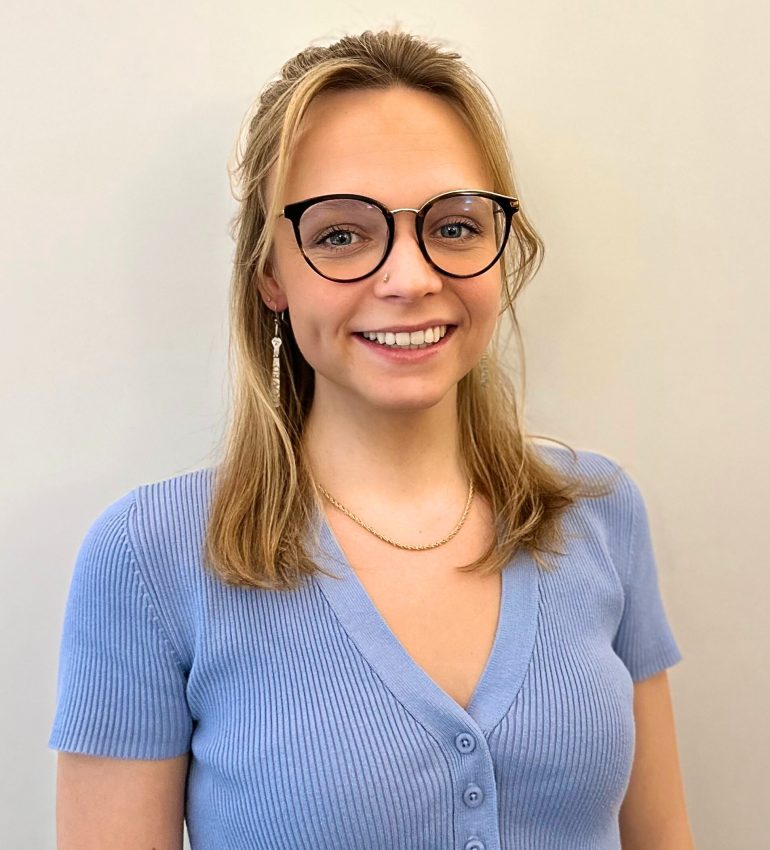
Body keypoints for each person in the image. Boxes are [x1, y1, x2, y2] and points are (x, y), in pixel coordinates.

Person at [48, 28, 695, 850]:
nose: (411, 277)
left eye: (454, 227)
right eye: (341, 235)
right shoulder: (149, 561)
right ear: (272, 277)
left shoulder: (599, 516)